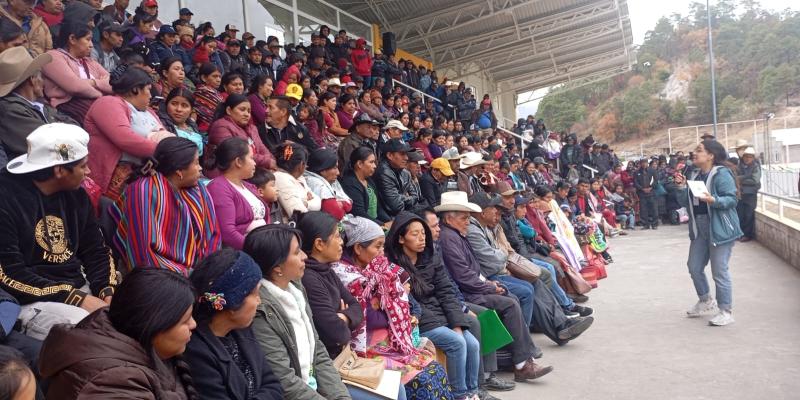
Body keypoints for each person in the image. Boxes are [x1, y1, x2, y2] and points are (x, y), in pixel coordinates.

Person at [0, 124, 117, 341]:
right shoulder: (6, 198)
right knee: (96, 337)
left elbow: (96, 250)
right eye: (83, 166)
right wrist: (76, 298)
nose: (89, 172)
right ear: (60, 170)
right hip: (32, 299)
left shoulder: (77, 197)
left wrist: (105, 290)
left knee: (140, 313)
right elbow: (10, 275)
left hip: (79, 286)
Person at [436, 192, 553, 381]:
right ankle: (521, 363)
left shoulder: (457, 235)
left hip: (472, 287)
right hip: (465, 293)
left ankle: (520, 357)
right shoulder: (449, 239)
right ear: (450, 218)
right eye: (465, 218)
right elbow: (463, 276)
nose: (468, 221)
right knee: (509, 303)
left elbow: (473, 269)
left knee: (513, 297)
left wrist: (489, 283)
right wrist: (489, 287)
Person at [334, 216, 453, 400]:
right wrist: (388, 305)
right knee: (422, 380)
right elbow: (371, 319)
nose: (382, 252)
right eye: (377, 246)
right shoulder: (349, 277)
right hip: (366, 348)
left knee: (433, 369)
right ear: (358, 248)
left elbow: (401, 302)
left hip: (388, 340)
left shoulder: (376, 270)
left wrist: (388, 303)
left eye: (382, 246)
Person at [39, 268, 199, 398]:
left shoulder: (152, 351)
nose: (194, 324)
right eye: (185, 321)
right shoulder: (112, 380)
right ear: (153, 325)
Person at [244, 224, 351, 400]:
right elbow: (285, 381)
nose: (304, 256)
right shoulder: (262, 310)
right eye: (296, 252)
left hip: (312, 385)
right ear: (276, 267)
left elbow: (317, 351)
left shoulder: (295, 288)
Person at [113, 137, 222, 276]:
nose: (200, 168)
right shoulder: (144, 191)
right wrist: (185, 274)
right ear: (179, 171)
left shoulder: (198, 188)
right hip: (159, 275)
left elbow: (212, 232)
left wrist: (207, 269)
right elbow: (142, 251)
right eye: (196, 163)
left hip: (198, 267)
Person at [185, 248, 283, 400]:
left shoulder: (241, 330)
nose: (259, 301)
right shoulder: (198, 353)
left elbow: (273, 384)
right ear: (233, 303)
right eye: (255, 294)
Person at [675, 140, 742, 326]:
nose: (694, 153)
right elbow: (686, 202)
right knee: (694, 266)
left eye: (699, 150)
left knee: (719, 271)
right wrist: (681, 187)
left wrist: (713, 200)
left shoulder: (721, 174)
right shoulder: (695, 174)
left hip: (719, 227)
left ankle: (726, 311)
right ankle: (705, 300)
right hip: (700, 227)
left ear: (711, 155)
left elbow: (731, 199)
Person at [84, 64, 172, 199]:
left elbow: (165, 135)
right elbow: (125, 139)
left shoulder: (149, 111)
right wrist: (169, 150)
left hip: (146, 173)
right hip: (117, 177)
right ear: (136, 89)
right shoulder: (108, 102)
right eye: (148, 89)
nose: (151, 95)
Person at [296, 212, 363, 359]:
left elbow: (357, 308)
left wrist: (342, 317)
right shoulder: (309, 278)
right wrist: (346, 318)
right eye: (337, 236)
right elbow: (337, 334)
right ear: (319, 244)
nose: (342, 243)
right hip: (328, 360)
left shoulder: (326, 271)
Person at [0, 47, 76, 163]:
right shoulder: (11, 110)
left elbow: (76, 128)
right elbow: (51, 144)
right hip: (37, 177)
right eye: (42, 77)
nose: (44, 82)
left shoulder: (39, 105)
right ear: (32, 80)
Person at [42, 22, 112, 123]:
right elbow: (75, 87)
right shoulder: (53, 57)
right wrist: (99, 84)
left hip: (97, 105)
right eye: (88, 39)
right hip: (68, 109)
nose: (91, 45)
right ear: (72, 39)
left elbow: (115, 83)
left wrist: (88, 83)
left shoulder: (89, 61)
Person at [207, 137, 267, 250]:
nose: (255, 163)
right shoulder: (218, 188)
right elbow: (227, 233)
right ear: (238, 162)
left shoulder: (248, 186)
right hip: (243, 252)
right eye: (251, 158)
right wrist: (257, 251)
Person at [208, 93, 275, 174]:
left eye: (249, 111)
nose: (247, 114)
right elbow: (236, 155)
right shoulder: (221, 126)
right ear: (229, 110)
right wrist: (268, 162)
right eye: (242, 109)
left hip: (252, 170)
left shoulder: (252, 128)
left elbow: (262, 149)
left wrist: (271, 161)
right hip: (228, 174)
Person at [274, 142, 321, 221]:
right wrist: (309, 202)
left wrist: (306, 204)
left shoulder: (300, 178)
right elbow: (298, 214)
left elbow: (318, 202)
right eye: (305, 164)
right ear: (301, 165)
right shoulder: (280, 178)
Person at [341, 146, 388, 224]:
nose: (375, 166)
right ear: (359, 164)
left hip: (376, 222)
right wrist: (383, 225)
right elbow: (359, 214)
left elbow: (378, 208)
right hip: (363, 226)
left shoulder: (369, 180)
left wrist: (389, 221)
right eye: (371, 162)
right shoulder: (350, 184)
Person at [376, 139, 419, 219]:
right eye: (402, 154)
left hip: (405, 213)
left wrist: (401, 197)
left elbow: (416, 196)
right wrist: (407, 197)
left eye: (406, 154)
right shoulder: (384, 172)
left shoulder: (405, 172)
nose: (406, 158)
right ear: (390, 155)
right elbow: (396, 206)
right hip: (390, 218)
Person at [304, 148, 353, 220]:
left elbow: (349, 205)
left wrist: (341, 204)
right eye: (335, 168)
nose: (338, 173)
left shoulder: (330, 180)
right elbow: (337, 213)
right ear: (323, 170)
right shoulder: (317, 184)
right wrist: (341, 205)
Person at [159, 87, 204, 154]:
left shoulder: (192, 126)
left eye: (184, 105)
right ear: (166, 105)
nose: (178, 109)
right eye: (174, 104)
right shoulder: (161, 125)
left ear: (191, 110)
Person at [735, 147, 760, 242]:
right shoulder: (740, 165)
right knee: (740, 214)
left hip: (751, 194)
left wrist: (741, 179)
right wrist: (744, 178)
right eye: (746, 156)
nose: (747, 158)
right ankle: (740, 234)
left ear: (753, 158)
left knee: (749, 215)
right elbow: (734, 177)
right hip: (740, 193)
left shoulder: (756, 166)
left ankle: (747, 235)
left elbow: (755, 180)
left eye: (749, 157)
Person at [194, 62, 224, 132]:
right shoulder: (201, 93)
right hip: (206, 130)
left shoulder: (217, 93)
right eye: (215, 76)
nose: (218, 80)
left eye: (220, 76)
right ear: (204, 78)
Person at [635, 159, 658, 229]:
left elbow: (656, 181)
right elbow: (635, 182)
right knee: (643, 210)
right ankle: (645, 224)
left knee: (654, 209)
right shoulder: (637, 172)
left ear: (647, 163)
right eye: (642, 163)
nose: (644, 164)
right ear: (640, 163)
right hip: (642, 193)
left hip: (651, 192)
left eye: (645, 162)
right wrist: (642, 189)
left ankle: (654, 224)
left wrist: (651, 188)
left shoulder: (652, 171)